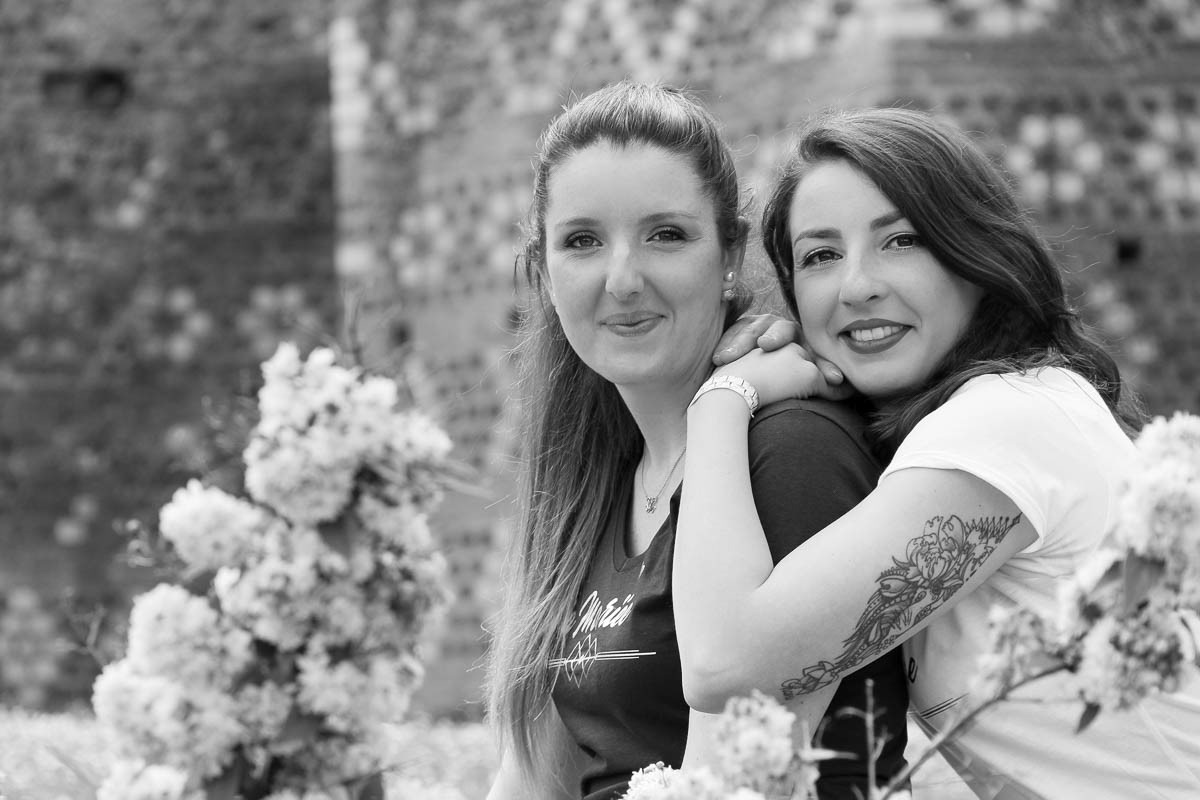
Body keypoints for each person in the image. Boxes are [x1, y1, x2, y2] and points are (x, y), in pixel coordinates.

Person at [674, 106, 1200, 798]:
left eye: (901, 241)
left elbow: (721, 665)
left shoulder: (1008, 419)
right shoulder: (961, 425)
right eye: (821, 256)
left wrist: (719, 400)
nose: (857, 285)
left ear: (976, 256)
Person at [484, 82, 908, 800]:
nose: (623, 279)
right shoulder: (601, 479)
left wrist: (723, 403)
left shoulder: (791, 450)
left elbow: (743, 775)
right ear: (544, 273)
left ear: (730, 254)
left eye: (666, 235)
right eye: (583, 241)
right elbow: (532, 779)